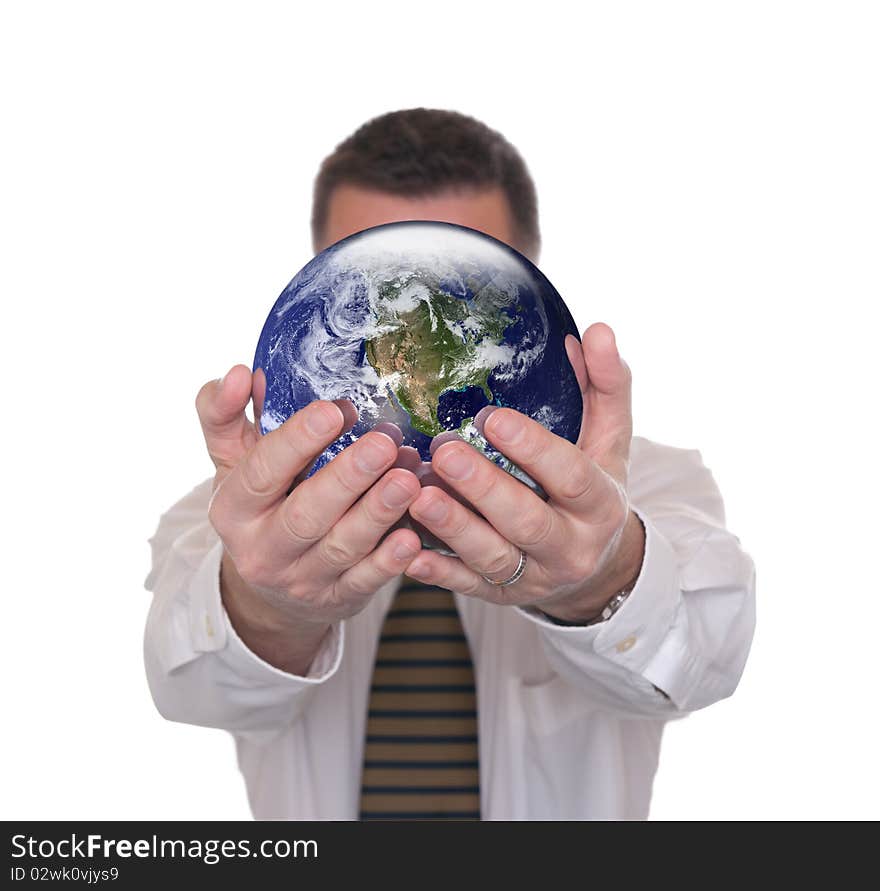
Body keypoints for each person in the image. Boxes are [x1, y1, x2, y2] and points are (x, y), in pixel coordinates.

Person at [143, 107, 756, 820]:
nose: (413, 317)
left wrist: (605, 576)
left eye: (460, 284)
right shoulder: (238, 518)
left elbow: (707, 659)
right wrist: (266, 606)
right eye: (374, 284)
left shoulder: (642, 489)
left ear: (530, 281)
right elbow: (186, 686)